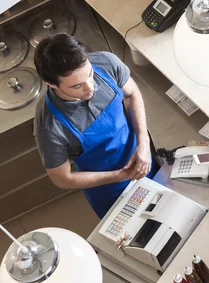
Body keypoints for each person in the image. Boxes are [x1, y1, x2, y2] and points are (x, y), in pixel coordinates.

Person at [33, 33, 159, 218]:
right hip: (109, 189)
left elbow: (131, 94)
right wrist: (119, 176)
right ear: (51, 84)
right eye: (77, 86)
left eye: (90, 75)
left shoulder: (106, 63)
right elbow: (63, 179)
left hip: (143, 158)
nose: (90, 88)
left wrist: (144, 143)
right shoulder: (50, 127)